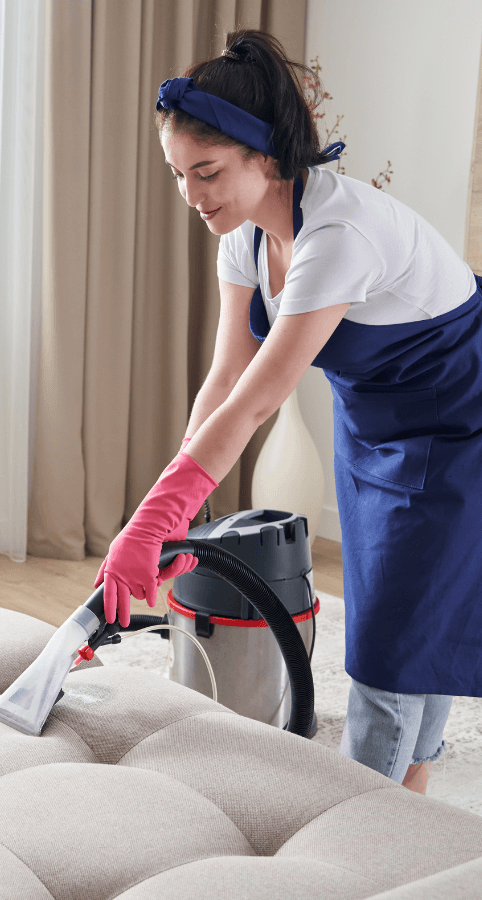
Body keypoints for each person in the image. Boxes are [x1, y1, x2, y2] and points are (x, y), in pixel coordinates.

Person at [94, 28, 482, 795]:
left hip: (461, 421)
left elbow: (260, 400)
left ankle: (362, 821)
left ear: (265, 155)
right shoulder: (243, 238)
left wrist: (152, 520)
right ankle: (413, 810)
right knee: (410, 615)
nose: (191, 197)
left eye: (206, 173)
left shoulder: (339, 233)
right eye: (178, 175)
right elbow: (222, 384)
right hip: (374, 422)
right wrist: (169, 513)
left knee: (389, 639)